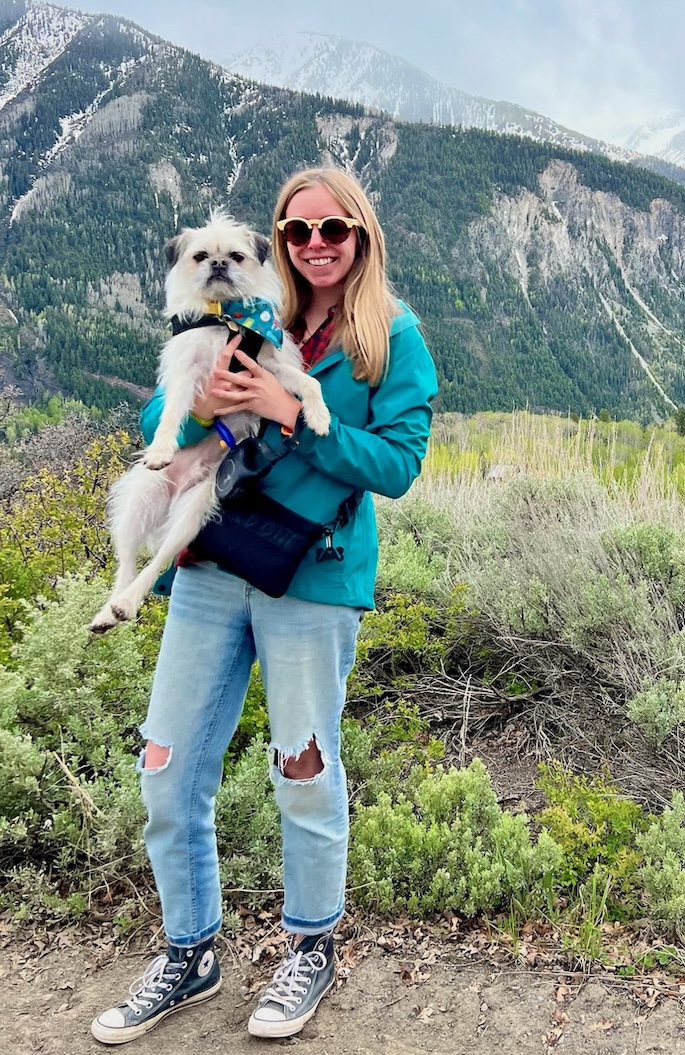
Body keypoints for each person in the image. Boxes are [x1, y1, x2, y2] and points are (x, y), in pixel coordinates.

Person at [90, 167, 437, 1044]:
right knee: (166, 768)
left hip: (313, 578)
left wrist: (291, 409)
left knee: (303, 771)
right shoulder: (245, 313)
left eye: (334, 231)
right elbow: (158, 427)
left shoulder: (391, 336)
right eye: (298, 231)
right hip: (211, 564)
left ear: (362, 235)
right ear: (278, 241)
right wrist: (198, 409)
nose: (316, 245)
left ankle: (311, 945)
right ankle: (189, 951)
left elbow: (396, 466)